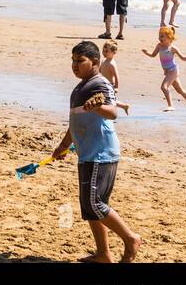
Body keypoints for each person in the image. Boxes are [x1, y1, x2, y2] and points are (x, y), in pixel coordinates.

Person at [52, 41, 140, 263]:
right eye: (73, 60)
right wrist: (62, 147)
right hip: (88, 153)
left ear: (95, 62)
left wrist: (98, 107)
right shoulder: (80, 87)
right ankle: (103, 253)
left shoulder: (99, 83)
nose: (74, 65)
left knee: (93, 203)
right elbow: (75, 122)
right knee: (92, 206)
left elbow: (112, 112)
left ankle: (130, 238)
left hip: (100, 153)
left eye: (80, 61)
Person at [142, 27, 186, 117]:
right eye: (159, 36)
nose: (160, 38)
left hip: (173, 70)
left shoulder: (172, 48)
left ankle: (171, 105)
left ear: (169, 37)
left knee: (164, 87)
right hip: (168, 72)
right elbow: (153, 55)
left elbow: (182, 58)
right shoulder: (159, 46)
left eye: (162, 36)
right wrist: (146, 52)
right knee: (180, 90)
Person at [98, 41, 130, 116]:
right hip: (103, 84)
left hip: (110, 86)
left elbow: (116, 76)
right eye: (103, 51)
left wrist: (116, 87)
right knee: (107, 99)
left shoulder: (111, 63)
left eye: (106, 51)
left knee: (108, 100)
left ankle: (110, 113)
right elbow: (100, 70)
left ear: (113, 52)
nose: (104, 53)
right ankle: (124, 106)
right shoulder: (103, 60)